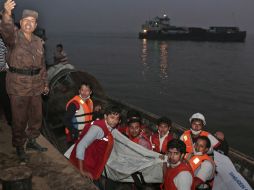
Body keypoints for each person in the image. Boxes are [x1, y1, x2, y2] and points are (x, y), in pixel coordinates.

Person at [1, 0, 49, 162]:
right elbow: (6, 30)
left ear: (36, 25)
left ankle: (32, 140)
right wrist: (7, 13)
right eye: (26, 21)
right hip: (18, 85)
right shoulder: (13, 38)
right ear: (20, 23)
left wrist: (45, 83)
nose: (29, 23)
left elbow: (42, 65)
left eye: (32, 21)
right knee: (19, 118)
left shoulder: (38, 41)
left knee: (36, 117)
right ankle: (19, 145)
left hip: (36, 85)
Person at [69, 105, 121, 189]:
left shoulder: (107, 126)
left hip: (91, 162)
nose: (115, 121)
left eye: (117, 118)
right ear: (105, 116)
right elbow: (81, 146)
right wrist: (82, 171)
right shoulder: (98, 129)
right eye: (112, 117)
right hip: (85, 165)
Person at [0, 13, 12, 126]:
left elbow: (7, 53)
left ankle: (10, 120)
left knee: (5, 97)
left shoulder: (4, 38)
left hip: (3, 73)